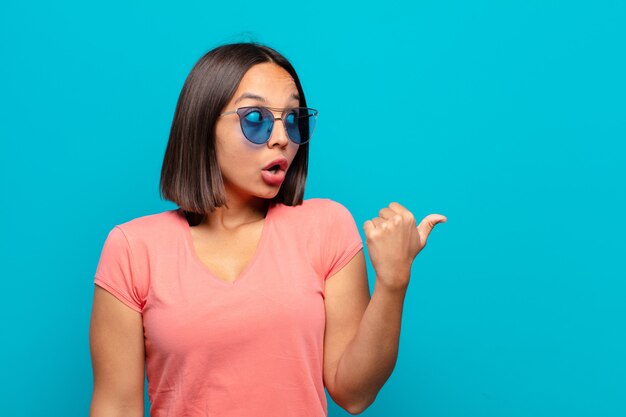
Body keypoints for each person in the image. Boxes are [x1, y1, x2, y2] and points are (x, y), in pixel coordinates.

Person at [89, 42, 447, 417]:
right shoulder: (133, 248)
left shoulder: (327, 227)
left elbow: (353, 393)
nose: (281, 138)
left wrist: (392, 283)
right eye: (256, 118)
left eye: (292, 119)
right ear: (202, 124)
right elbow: (116, 405)